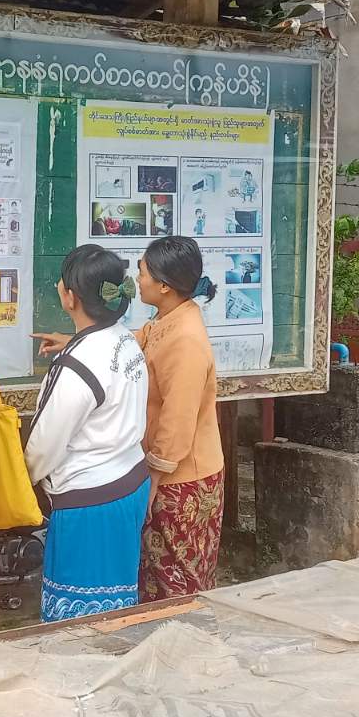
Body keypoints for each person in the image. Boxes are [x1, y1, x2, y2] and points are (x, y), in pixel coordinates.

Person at [25, 245, 149, 623]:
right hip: (130, 483)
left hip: (90, 501)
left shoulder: (76, 367)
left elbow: (44, 445)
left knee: (77, 622)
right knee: (115, 604)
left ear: (70, 297)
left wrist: (23, 482)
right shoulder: (125, 338)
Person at [133, 237, 225, 601]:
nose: (137, 279)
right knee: (162, 576)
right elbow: (138, 340)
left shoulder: (185, 339)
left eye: (142, 272)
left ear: (164, 285)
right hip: (174, 473)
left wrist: (154, 476)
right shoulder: (168, 319)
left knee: (179, 583)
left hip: (182, 479)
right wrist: (75, 340)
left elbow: (178, 418)